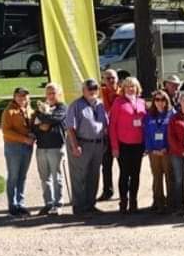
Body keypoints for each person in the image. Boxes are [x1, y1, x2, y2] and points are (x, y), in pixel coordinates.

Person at [65, 79, 109, 216]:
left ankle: (90, 205)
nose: (92, 91)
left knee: (93, 176)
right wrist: (74, 145)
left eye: (95, 88)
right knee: (79, 176)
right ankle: (79, 208)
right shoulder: (76, 105)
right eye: (89, 88)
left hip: (97, 144)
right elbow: (70, 128)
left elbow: (105, 125)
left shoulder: (101, 105)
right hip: (81, 144)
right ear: (83, 90)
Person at [109, 76, 146, 214]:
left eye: (133, 86)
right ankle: (123, 201)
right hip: (123, 145)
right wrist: (114, 147)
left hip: (138, 145)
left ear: (137, 88)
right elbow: (112, 126)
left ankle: (133, 201)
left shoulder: (141, 102)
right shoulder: (118, 102)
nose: (131, 89)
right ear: (123, 88)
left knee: (136, 174)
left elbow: (145, 124)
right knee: (125, 174)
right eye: (128, 86)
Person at [31, 82, 67, 216]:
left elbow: (55, 119)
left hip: (55, 146)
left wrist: (43, 119)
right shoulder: (40, 108)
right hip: (41, 147)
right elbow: (33, 126)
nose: (51, 96)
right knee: (44, 177)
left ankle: (58, 204)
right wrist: (41, 125)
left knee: (56, 176)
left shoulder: (62, 107)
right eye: (48, 93)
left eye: (53, 93)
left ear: (58, 94)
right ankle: (48, 203)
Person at [1, 86, 35, 217]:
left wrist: (32, 135)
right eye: (20, 96)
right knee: (13, 176)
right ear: (14, 97)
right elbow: (6, 131)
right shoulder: (9, 112)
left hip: (27, 147)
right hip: (13, 147)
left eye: (25, 96)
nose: (22, 98)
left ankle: (20, 203)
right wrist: (24, 139)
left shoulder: (30, 110)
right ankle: (12, 205)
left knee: (22, 176)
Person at [143, 90, 175, 213]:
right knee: (157, 177)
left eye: (162, 100)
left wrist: (166, 148)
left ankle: (171, 203)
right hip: (154, 152)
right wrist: (151, 149)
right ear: (153, 101)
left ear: (166, 101)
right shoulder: (148, 116)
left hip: (167, 151)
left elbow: (173, 133)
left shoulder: (172, 114)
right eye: (157, 99)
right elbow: (146, 134)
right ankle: (158, 202)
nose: (160, 102)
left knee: (169, 177)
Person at [98, 68, 120, 202]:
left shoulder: (123, 92)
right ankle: (107, 191)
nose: (111, 80)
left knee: (124, 165)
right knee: (106, 165)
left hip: (120, 134)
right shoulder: (100, 93)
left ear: (117, 78)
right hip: (106, 135)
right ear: (103, 80)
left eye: (113, 77)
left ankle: (126, 191)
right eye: (108, 78)